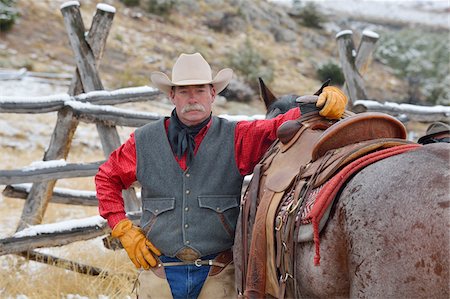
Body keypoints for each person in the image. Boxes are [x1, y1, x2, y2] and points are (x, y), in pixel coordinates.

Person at [95, 52, 347, 298]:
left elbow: (276, 126)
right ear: (172, 95)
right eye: (184, 91)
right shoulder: (144, 142)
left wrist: (321, 106)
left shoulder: (237, 137)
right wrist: (123, 228)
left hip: (218, 274)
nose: (192, 98)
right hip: (158, 273)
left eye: (200, 90)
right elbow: (107, 178)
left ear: (213, 94)